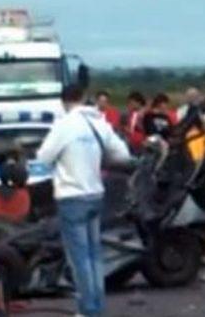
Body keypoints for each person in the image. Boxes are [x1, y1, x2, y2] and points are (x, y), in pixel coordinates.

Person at [36, 85, 130, 317]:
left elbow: (43, 157)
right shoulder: (98, 122)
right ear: (85, 98)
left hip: (72, 197)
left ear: (64, 102)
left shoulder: (64, 125)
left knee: (79, 259)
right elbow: (123, 154)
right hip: (95, 195)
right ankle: (97, 305)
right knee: (94, 255)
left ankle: (89, 310)